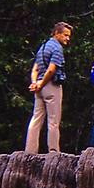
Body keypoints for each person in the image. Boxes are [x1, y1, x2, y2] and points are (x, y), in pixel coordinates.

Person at [24, 21, 72, 153]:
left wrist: (35, 83)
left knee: (36, 118)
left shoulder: (43, 47)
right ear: (57, 33)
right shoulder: (57, 48)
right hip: (51, 86)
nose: (67, 38)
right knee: (53, 120)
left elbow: (35, 68)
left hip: (39, 88)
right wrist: (42, 83)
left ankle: (30, 150)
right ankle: (53, 151)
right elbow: (51, 70)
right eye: (65, 35)